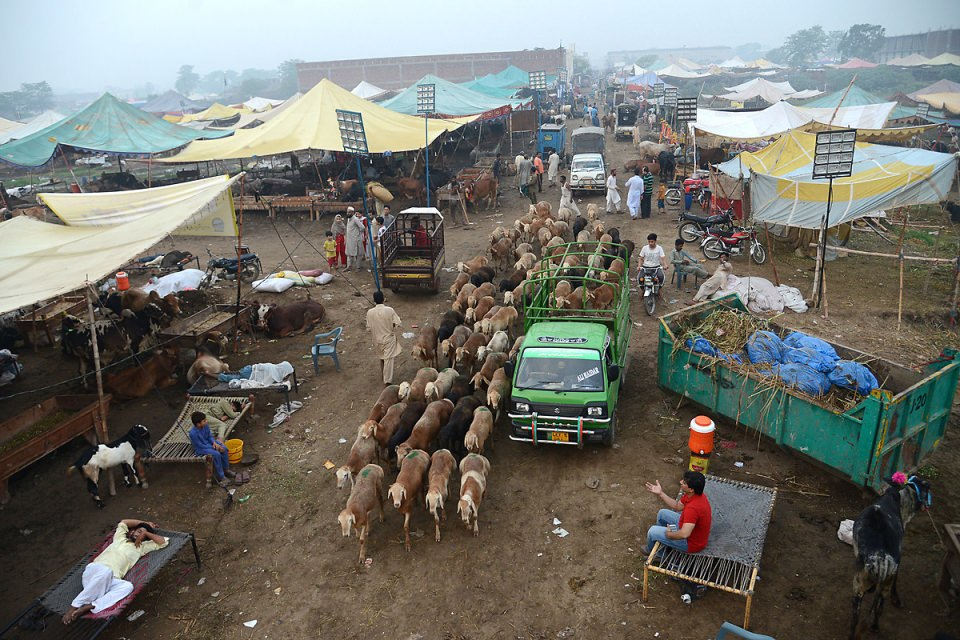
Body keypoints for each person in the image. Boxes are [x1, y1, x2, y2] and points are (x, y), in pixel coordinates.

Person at [62, 519, 169, 624]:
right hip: (95, 571)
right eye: (139, 531)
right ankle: (74, 607)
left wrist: (146, 533)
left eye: (144, 535)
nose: (140, 534)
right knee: (106, 571)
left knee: (128, 587)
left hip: (111, 580)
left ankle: (92, 606)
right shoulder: (119, 538)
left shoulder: (141, 548)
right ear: (132, 531)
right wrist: (145, 523)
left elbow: (163, 542)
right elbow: (124, 522)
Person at [641, 471, 712, 555]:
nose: (680, 482)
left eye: (684, 482)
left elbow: (684, 534)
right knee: (662, 513)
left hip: (691, 543)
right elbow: (678, 506)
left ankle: (658, 554)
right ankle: (662, 544)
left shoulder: (692, 508)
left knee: (652, 531)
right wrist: (661, 493)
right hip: (689, 529)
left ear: (691, 489)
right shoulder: (694, 495)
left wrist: (669, 534)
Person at [189, 411, 235, 488]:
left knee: (224, 448)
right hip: (201, 448)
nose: (206, 421)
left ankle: (226, 470)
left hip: (209, 443)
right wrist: (214, 448)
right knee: (216, 454)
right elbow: (200, 445)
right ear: (198, 424)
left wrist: (215, 443)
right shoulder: (193, 433)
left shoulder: (205, 426)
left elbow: (209, 436)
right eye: (204, 421)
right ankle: (221, 476)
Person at [366, 290, 402, 385]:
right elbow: (398, 323)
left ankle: (384, 375)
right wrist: (391, 327)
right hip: (388, 338)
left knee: (382, 357)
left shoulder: (370, 312)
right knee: (388, 360)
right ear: (383, 299)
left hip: (376, 339)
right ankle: (387, 382)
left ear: (374, 300)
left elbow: (369, 328)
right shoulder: (389, 310)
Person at [344, 207, 365, 272]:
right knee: (349, 253)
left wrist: (357, 234)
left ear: (353, 213)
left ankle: (358, 267)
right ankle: (349, 267)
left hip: (356, 240)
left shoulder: (355, 219)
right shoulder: (348, 219)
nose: (348, 213)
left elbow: (362, 227)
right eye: (347, 212)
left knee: (358, 254)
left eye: (349, 212)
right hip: (349, 240)